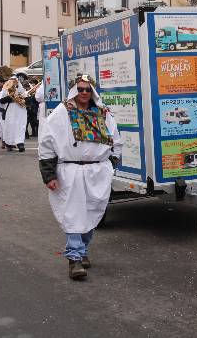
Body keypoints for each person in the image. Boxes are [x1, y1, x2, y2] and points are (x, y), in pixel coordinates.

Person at [39, 74, 122, 280]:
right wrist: (49, 174)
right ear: (74, 91)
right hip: (70, 172)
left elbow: (115, 141)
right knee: (73, 214)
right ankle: (74, 258)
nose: (84, 93)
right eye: (80, 89)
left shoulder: (103, 113)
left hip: (97, 172)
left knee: (91, 213)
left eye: (87, 89)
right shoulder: (62, 113)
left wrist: (110, 165)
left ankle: (83, 250)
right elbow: (47, 143)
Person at [0, 75, 28, 151]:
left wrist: (22, 99)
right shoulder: (5, 89)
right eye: (12, 81)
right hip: (10, 110)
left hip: (20, 110)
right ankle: (9, 143)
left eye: (15, 81)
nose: (13, 83)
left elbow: (26, 98)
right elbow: (1, 101)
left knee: (21, 127)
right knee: (10, 127)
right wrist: (10, 96)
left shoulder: (21, 89)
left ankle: (20, 143)